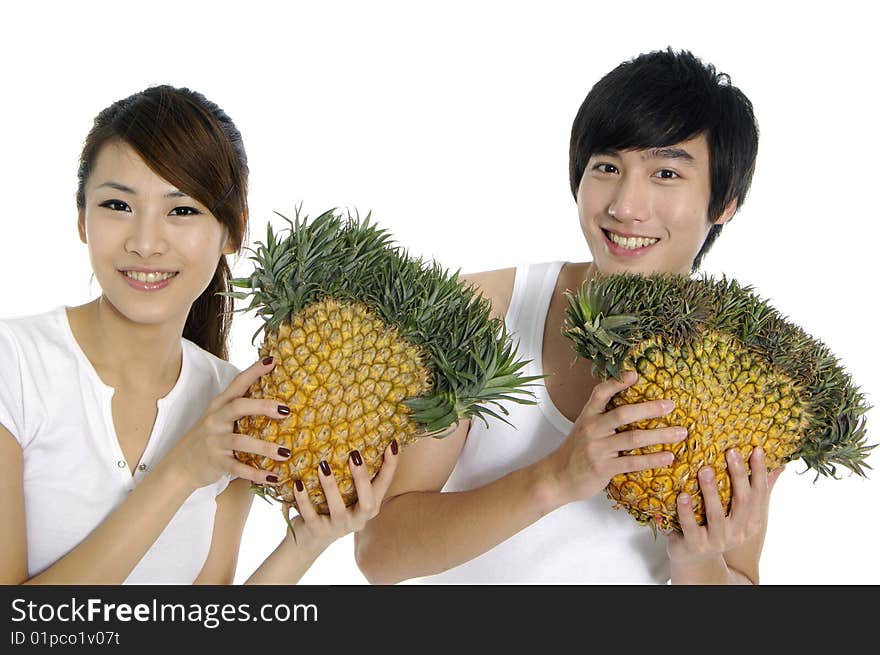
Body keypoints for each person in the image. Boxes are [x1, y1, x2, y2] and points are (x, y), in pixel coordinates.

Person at [354, 48, 785, 585]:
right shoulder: (480, 309)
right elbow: (380, 550)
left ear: (725, 203)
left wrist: (696, 558)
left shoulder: (745, 373)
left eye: (667, 173)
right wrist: (556, 477)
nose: (626, 205)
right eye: (607, 167)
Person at [0, 85, 398, 585]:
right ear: (82, 217)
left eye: (182, 210)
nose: (145, 243)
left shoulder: (234, 399)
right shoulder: (13, 368)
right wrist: (183, 469)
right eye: (117, 205)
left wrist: (308, 540)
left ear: (232, 232)